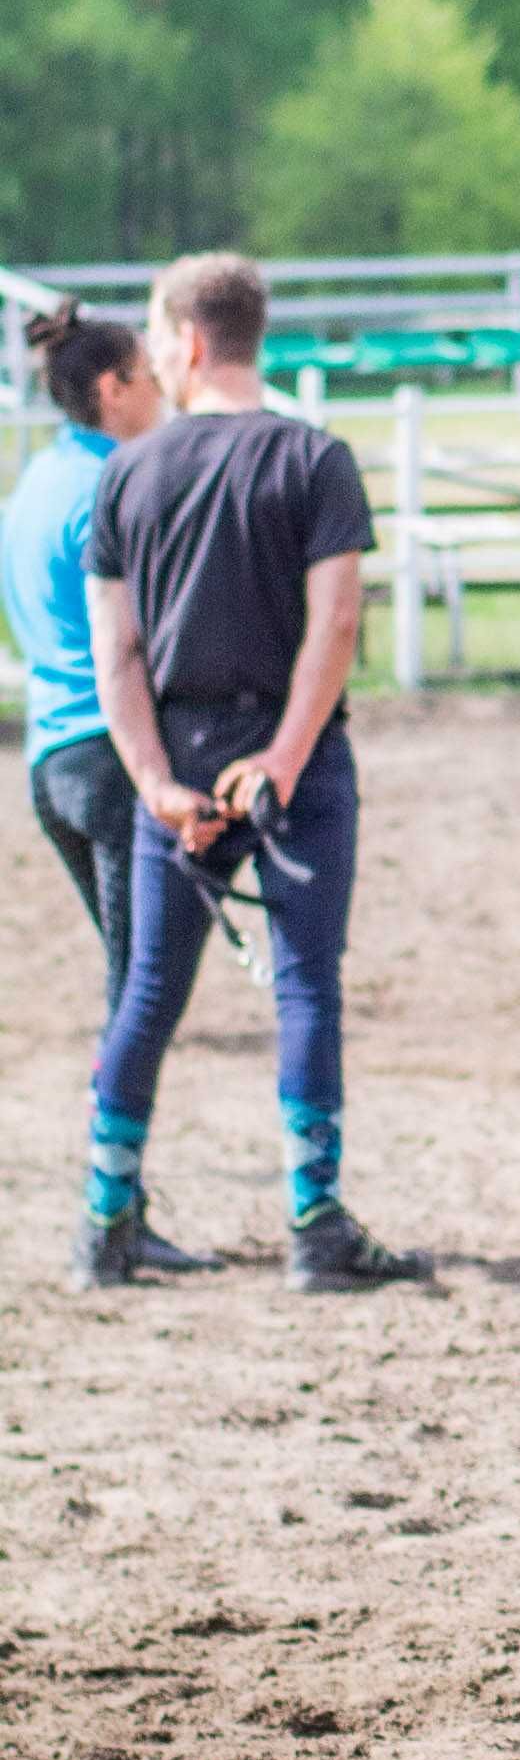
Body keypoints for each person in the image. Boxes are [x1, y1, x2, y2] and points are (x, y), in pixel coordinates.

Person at [82, 250, 424, 1292]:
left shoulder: (128, 472)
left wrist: (149, 777)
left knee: (147, 991)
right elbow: (337, 623)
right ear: (249, 335)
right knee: (306, 986)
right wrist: (281, 755)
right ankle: (313, 1223)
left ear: (186, 340)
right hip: (297, 758)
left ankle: (105, 1215)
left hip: (175, 757)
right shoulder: (315, 460)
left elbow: (119, 653)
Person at [10, 303, 182, 1142]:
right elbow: (144, 631)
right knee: (138, 988)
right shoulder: (117, 485)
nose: (160, 393)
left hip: (49, 758)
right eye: (149, 378)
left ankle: (115, 1200)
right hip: (112, 757)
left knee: (132, 974)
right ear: (113, 389)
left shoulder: (37, 483)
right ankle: (113, 1205)